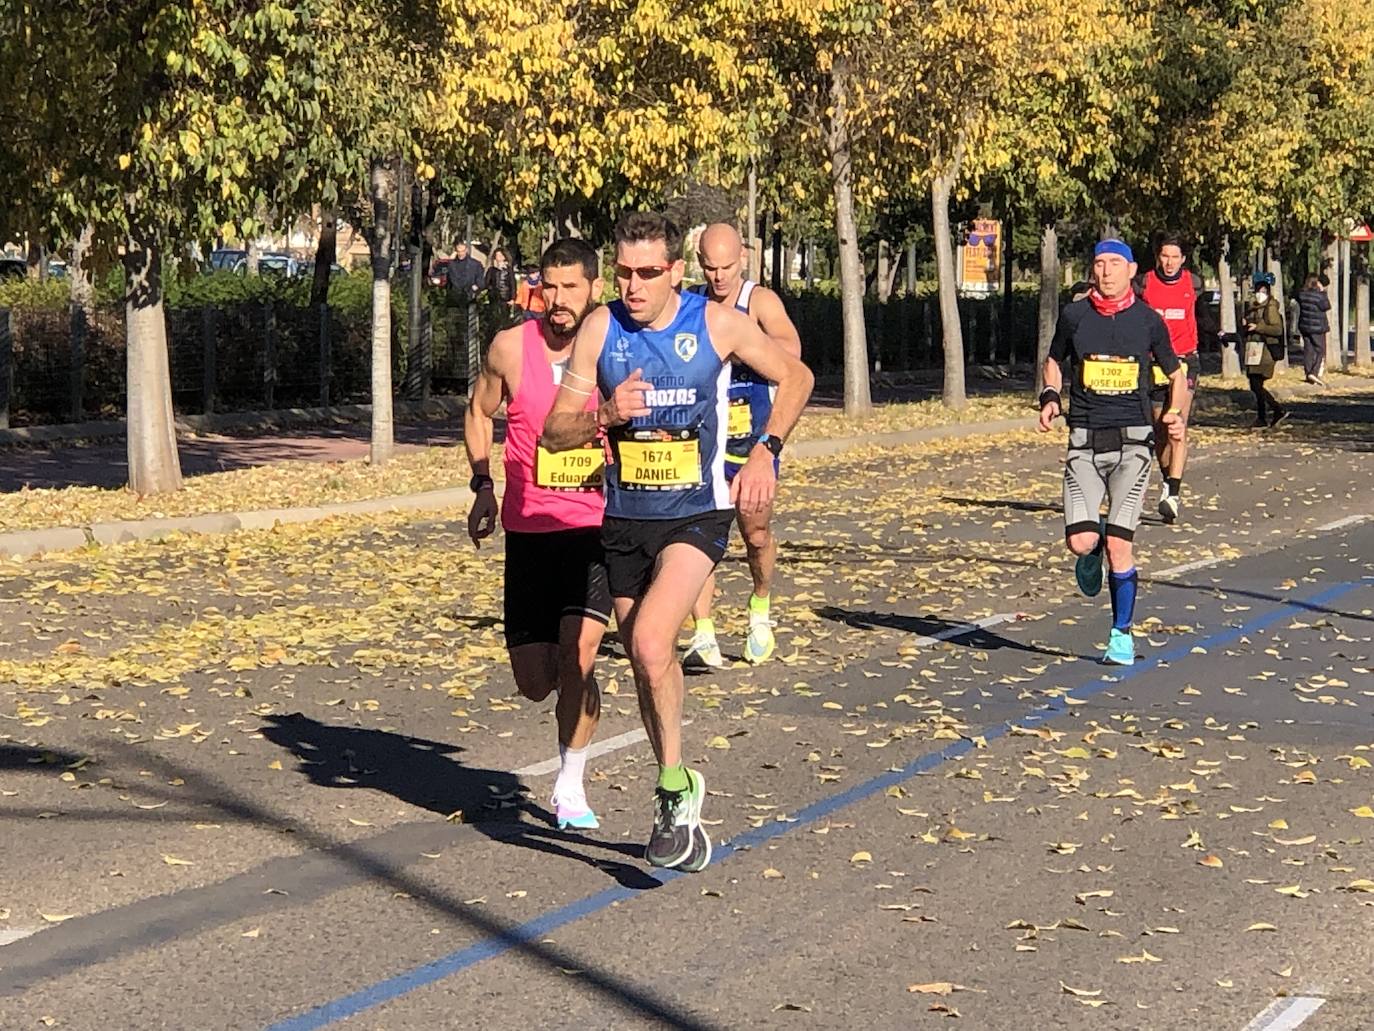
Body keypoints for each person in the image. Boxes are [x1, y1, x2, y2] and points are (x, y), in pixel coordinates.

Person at [542, 211, 813, 871]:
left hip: (697, 512)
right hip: (626, 518)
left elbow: (797, 377)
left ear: (674, 272)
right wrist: (606, 414)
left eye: (646, 274)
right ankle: (682, 781)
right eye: (625, 273)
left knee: (652, 641)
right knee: (645, 662)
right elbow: (555, 431)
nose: (632, 286)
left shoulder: (715, 323)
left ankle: (667, 791)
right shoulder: (601, 328)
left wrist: (765, 453)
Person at [465, 238, 610, 831]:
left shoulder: (612, 345)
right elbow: (478, 412)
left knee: (577, 655)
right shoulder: (510, 347)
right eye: (549, 285)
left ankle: (570, 782)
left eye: (571, 286)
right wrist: (482, 485)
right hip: (528, 531)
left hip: (593, 528)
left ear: (593, 289)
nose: (558, 299)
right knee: (534, 682)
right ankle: (584, 696)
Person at [1039, 239, 1186, 667]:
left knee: (1122, 546)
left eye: (1114, 265)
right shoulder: (1076, 315)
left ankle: (1121, 634)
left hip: (1134, 444)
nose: (1105, 272)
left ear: (1131, 270)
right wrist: (1050, 396)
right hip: (1084, 441)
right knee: (1081, 541)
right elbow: (1053, 360)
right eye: (1099, 263)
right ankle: (1094, 544)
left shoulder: (1148, 321)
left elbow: (1177, 375)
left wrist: (1174, 414)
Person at [680, 223, 804, 668]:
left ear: (743, 260)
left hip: (753, 439)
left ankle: (759, 608)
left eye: (726, 267)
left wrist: (744, 341)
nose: (718, 277)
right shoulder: (690, 302)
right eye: (710, 267)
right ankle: (704, 633)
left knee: (755, 533)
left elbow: (792, 349)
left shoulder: (760, 300)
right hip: (700, 439)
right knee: (697, 537)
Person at [1133, 234, 1205, 523]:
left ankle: (1173, 493)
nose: (1170, 262)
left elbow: (1199, 317)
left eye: (1175, 257)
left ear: (1183, 259)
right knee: (1160, 429)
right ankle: (1166, 478)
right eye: (1165, 256)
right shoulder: (1145, 283)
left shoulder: (1194, 283)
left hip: (1185, 360)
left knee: (1177, 424)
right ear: (1157, 257)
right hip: (1152, 362)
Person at [1239, 271, 1288, 427]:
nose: (1260, 294)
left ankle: (1274, 410)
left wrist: (1258, 327)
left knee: (1256, 384)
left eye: (1263, 291)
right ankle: (1264, 416)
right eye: (1258, 291)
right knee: (1255, 384)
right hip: (1254, 349)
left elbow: (1277, 329)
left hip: (1265, 351)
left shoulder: (1270, 307)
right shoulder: (1255, 308)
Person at [1296, 273, 1331, 385]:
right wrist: (1323, 292)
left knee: (1308, 349)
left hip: (1304, 326)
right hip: (1317, 327)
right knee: (1320, 350)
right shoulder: (1319, 296)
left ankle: (1308, 373)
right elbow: (1326, 306)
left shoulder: (1302, 294)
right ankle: (1314, 372)